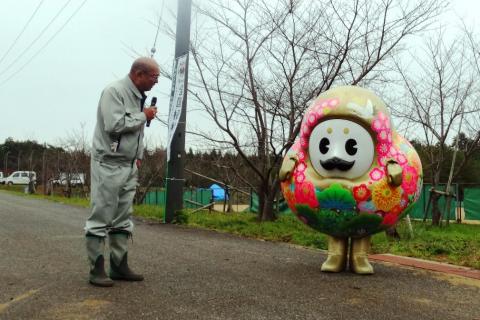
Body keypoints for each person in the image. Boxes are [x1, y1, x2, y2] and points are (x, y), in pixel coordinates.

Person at [84, 57, 159, 287]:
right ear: (138, 74)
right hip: (108, 163)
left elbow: (135, 134)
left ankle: (119, 266)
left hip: (128, 165)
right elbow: (114, 125)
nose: (155, 83)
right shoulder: (114, 91)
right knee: (101, 214)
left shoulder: (137, 96)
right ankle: (96, 269)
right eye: (153, 78)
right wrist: (143, 115)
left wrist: (138, 158)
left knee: (123, 216)